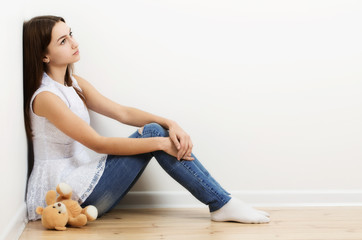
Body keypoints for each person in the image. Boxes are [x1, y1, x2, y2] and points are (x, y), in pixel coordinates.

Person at [23, 15, 270, 224]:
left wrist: (170, 123)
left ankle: (222, 201)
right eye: (63, 41)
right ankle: (221, 203)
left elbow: (122, 113)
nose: (74, 43)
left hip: (84, 182)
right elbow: (97, 143)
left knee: (155, 130)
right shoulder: (46, 97)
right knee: (153, 134)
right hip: (65, 195)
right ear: (45, 56)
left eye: (71, 34)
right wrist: (160, 142)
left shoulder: (74, 84)